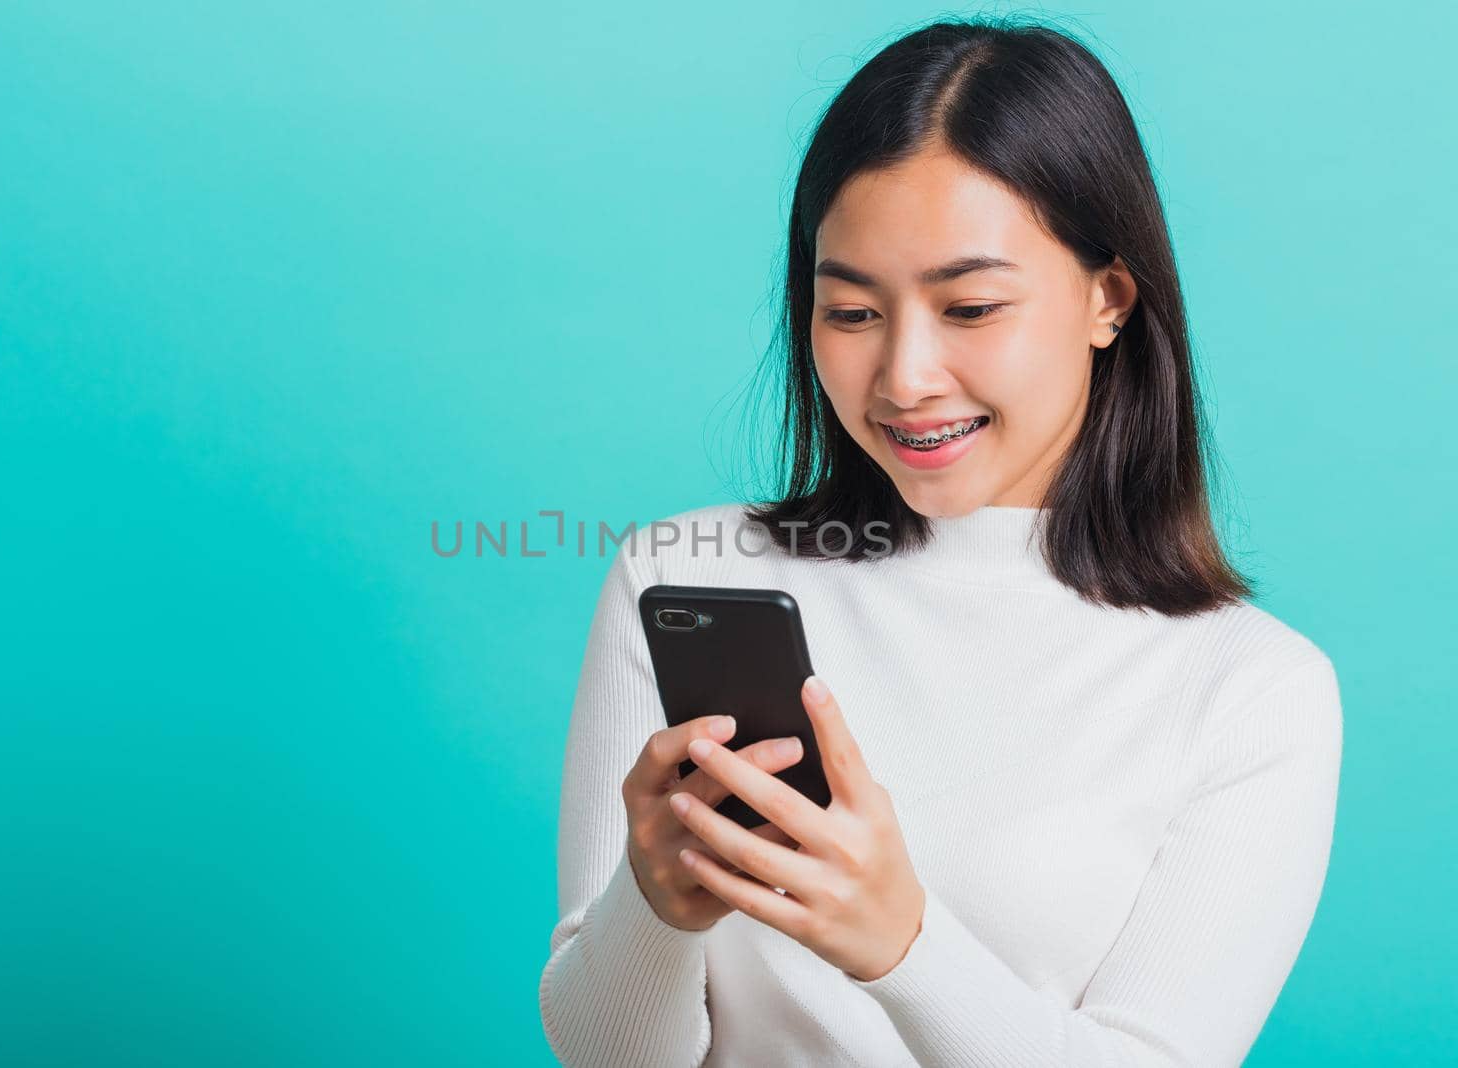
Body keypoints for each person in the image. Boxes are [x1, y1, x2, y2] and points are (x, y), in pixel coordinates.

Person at [538, 16, 1342, 1067]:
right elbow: (607, 1057)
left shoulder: (1250, 688)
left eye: (969, 306)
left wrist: (898, 945)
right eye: (851, 313)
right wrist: (653, 906)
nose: (905, 377)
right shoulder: (683, 574)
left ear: (1107, 299)